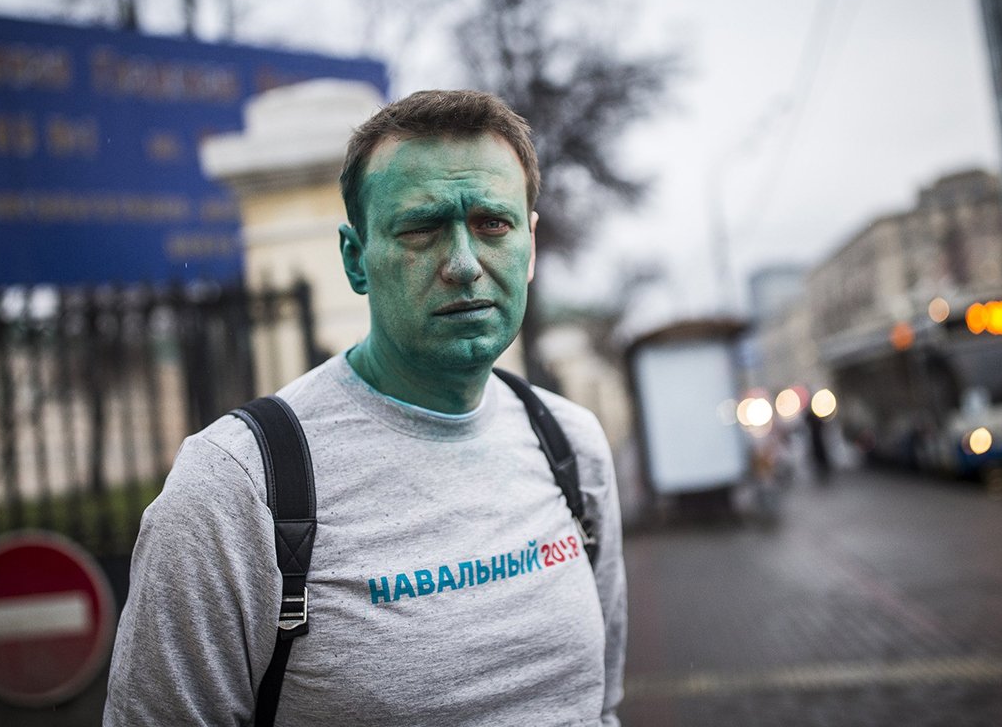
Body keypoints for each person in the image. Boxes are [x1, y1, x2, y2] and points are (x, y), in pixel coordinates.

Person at [104, 90, 627, 726]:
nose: (463, 264)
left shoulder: (570, 446)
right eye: (421, 229)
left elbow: (602, 707)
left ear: (531, 245)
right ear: (356, 259)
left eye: (492, 223)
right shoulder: (235, 488)